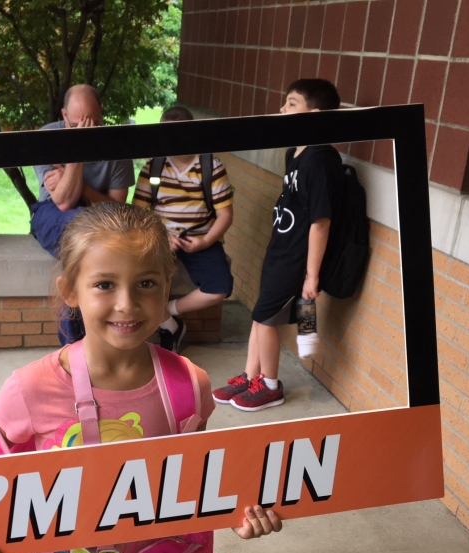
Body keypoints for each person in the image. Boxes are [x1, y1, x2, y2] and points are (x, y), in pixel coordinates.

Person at [0, 203, 283, 553]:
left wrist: (239, 512)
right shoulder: (30, 388)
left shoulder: (189, 386)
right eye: (105, 284)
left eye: (146, 283)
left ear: (167, 288)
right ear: (71, 290)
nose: (127, 303)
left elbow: (198, 477)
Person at [213, 79, 345, 412]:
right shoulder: (295, 153)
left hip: (297, 258)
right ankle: (250, 375)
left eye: (291, 104)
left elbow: (321, 222)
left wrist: (311, 275)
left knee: (268, 319)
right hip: (280, 250)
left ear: (313, 115)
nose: (282, 110)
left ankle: (270, 385)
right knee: (260, 315)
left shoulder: (321, 160)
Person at [29, 84, 135, 345]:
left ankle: (79, 348)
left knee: (85, 260)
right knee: (80, 232)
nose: (87, 131)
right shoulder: (46, 137)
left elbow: (119, 209)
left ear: (102, 114)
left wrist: (74, 181)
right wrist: (79, 150)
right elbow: (63, 203)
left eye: (93, 125)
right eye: (77, 126)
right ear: (63, 116)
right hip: (52, 215)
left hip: (100, 223)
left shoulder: (117, 144)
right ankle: (78, 348)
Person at [132, 106, 235, 353]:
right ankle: (166, 327)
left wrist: (206, 241)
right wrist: (161, 236)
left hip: (200, 239)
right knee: (134, 280)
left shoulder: (211, 167)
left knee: (220, 286)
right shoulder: (154, 167)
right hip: (159, 238)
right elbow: (139, 212)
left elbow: (225, 215)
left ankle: (168, 315)